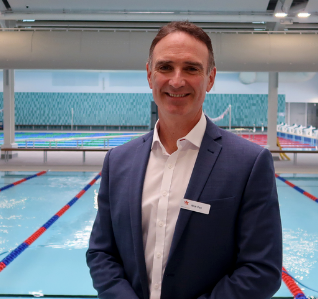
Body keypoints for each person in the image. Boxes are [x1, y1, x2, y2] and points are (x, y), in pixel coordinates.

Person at [86, 21, 282, 299]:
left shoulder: (249, 163)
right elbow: (101, 252)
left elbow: (262, 270)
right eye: (165, 67)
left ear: (210, 78)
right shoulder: (118, 161)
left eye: (191, 68)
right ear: (149, 75)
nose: (176, 81)